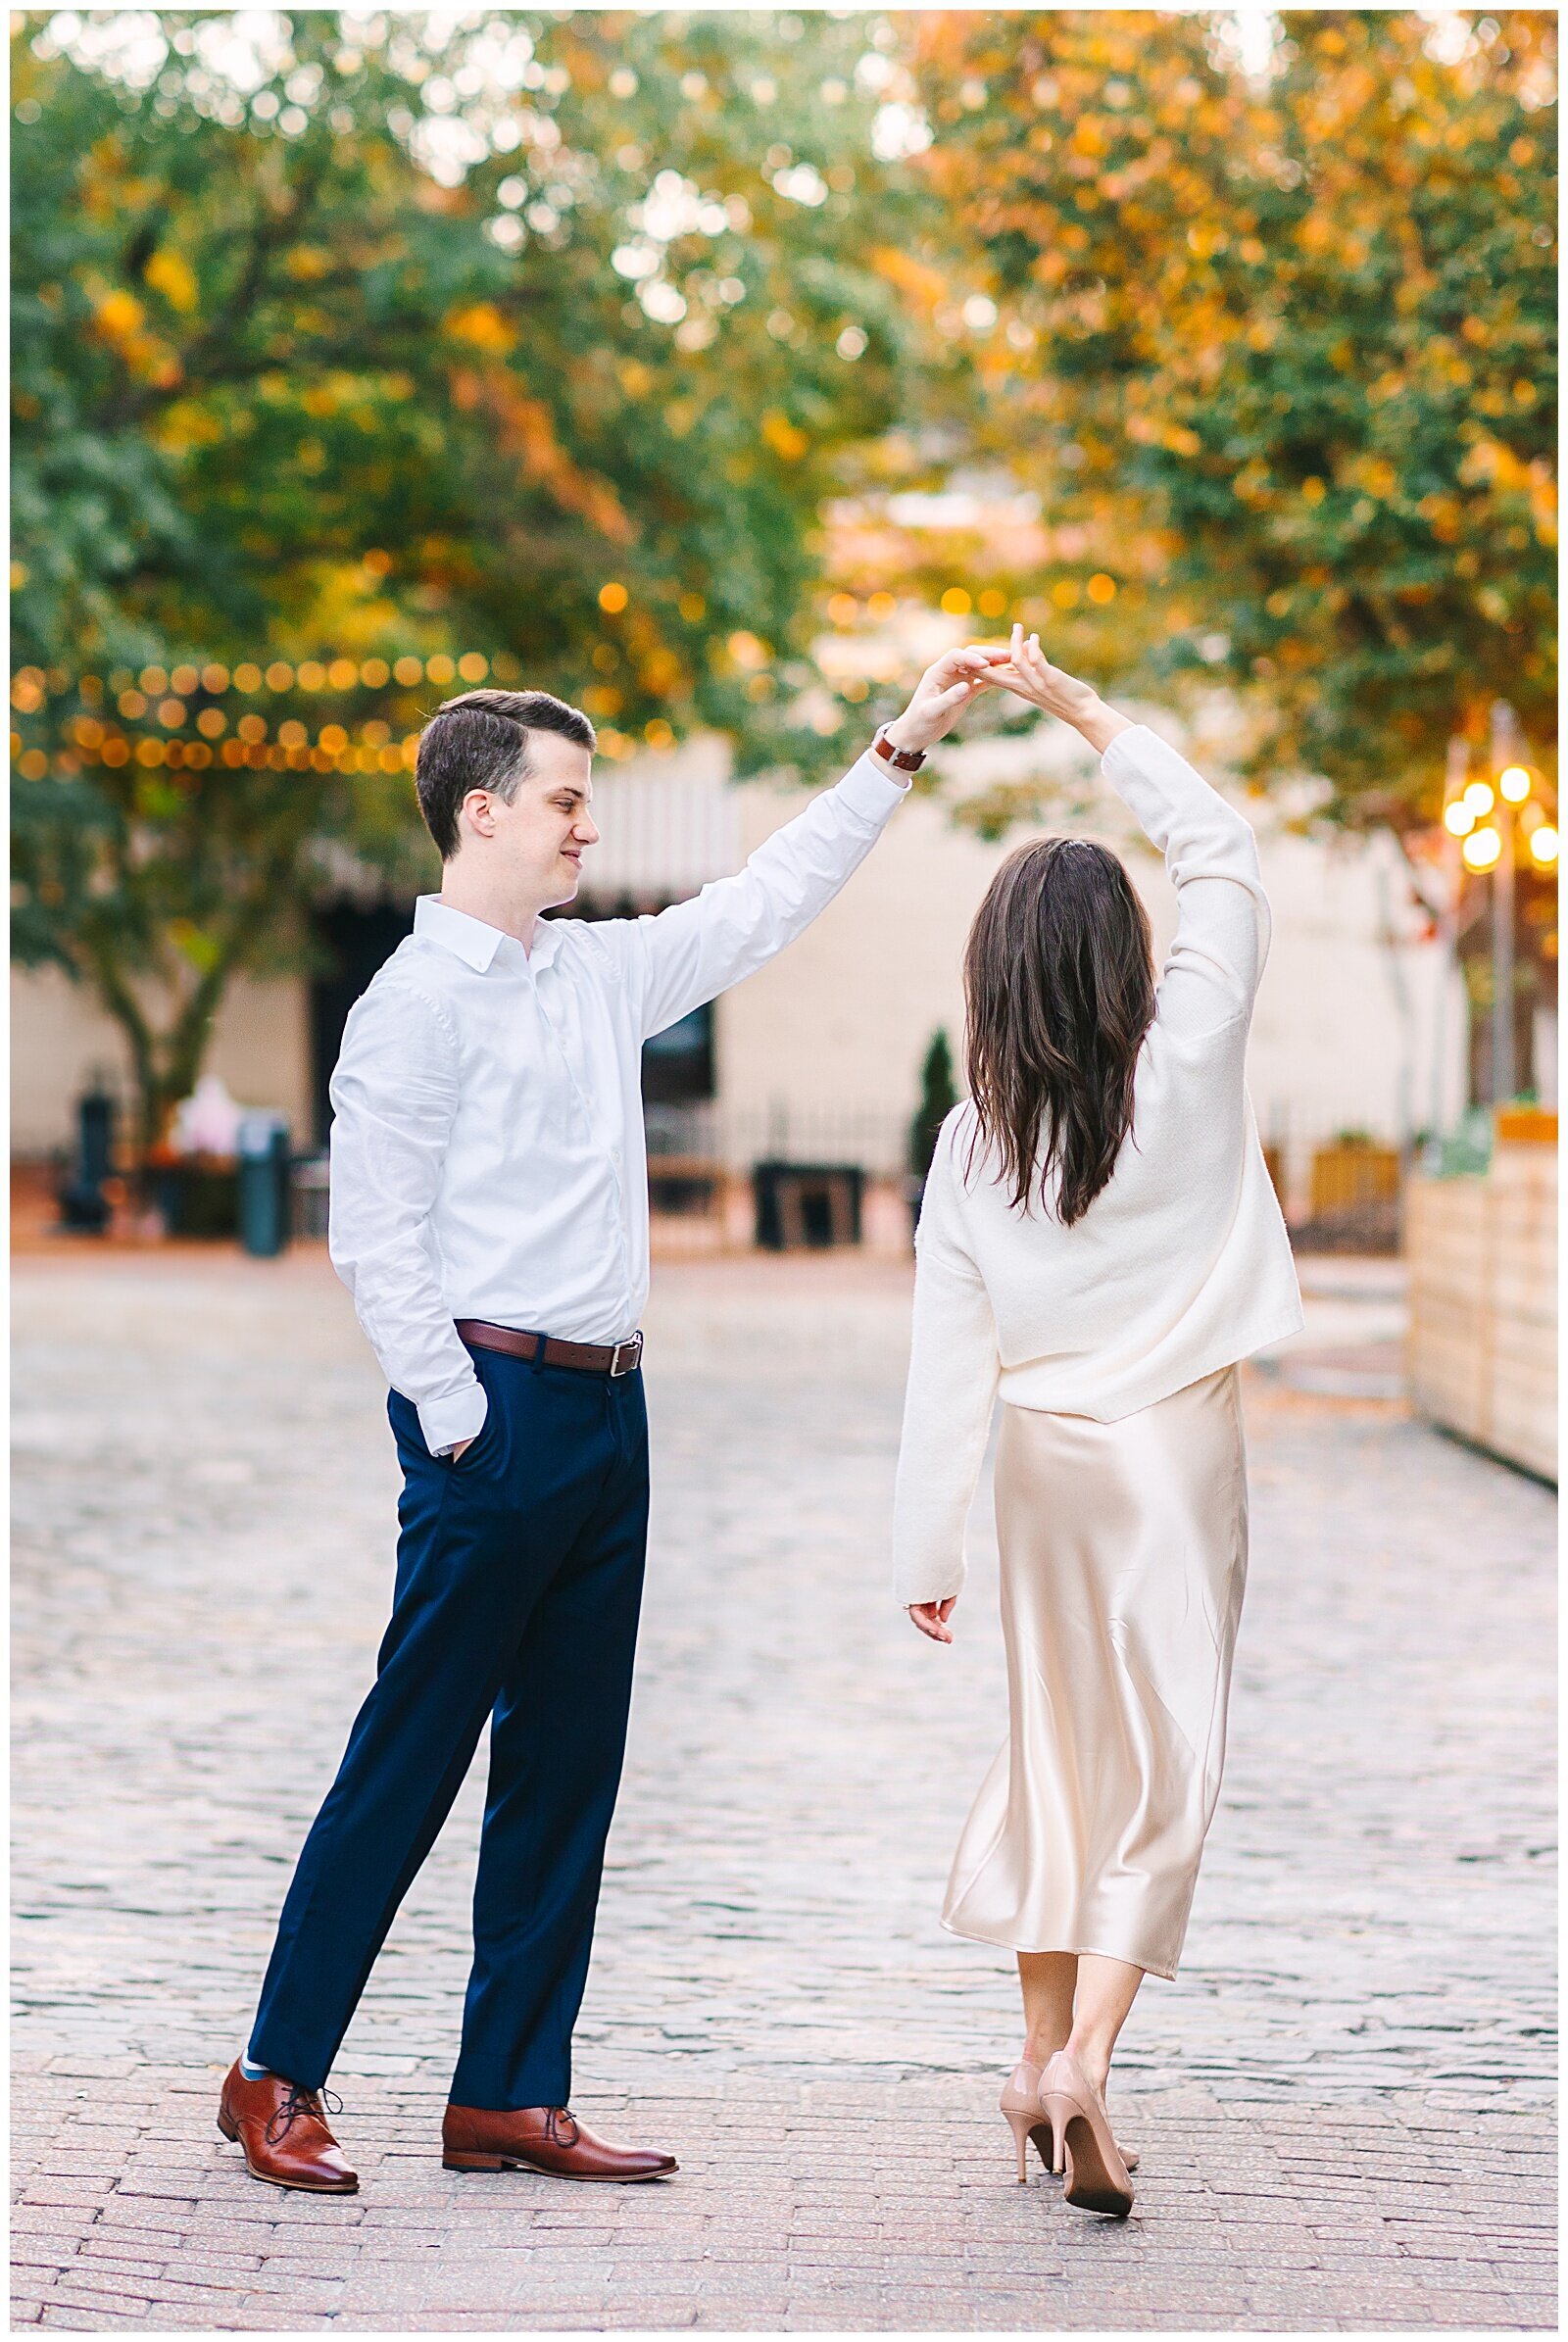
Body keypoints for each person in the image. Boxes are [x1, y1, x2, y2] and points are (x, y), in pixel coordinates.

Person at [219, 647, 1008, 2194]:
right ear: (483, 814)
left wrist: (900, 745)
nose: (589, 827)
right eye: (568, 800)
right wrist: (459, 1422)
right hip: (493, 1414)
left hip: (611, 1412)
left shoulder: (599, 974)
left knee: (571, 1764)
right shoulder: (407, 1007)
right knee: (411, 1756)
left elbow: (764, 900)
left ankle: (508, 2088)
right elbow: (375, 1239)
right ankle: (273, 2071)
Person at [891, 628, 1302, 2218]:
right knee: (1165, 1764)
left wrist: (927, 1541)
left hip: (1042, 1473)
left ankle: (1029, 2052)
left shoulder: (970, 1136)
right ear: (1127, 962)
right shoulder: (1187, 1053)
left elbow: (948, 1348)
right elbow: (1225, 848)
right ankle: (1088, 2068)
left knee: (1054, 1752)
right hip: (1172, 1449)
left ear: (993, 978)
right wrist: (1077, 704)